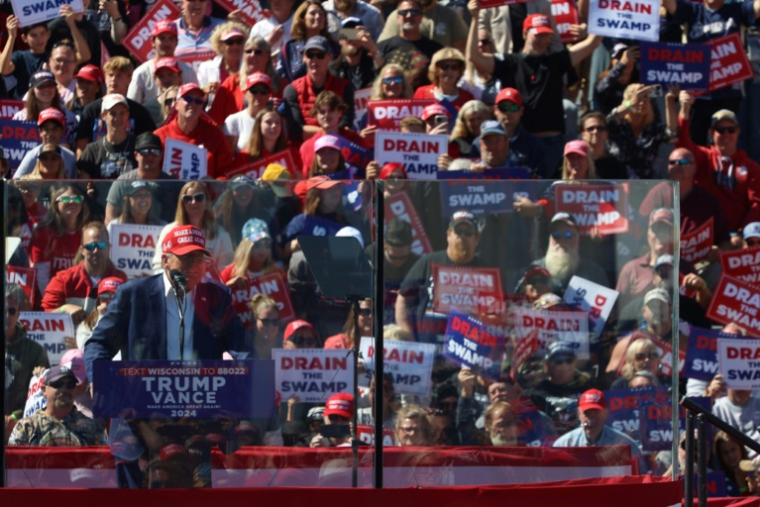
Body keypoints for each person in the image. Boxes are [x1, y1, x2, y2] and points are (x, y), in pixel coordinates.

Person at [84, 225, 249, 380]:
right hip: (145, 402)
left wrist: (252, 378)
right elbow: (99, 344)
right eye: (186, 257)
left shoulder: (218, 297)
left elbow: (241, 348)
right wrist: (98, 379)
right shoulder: (133, 295)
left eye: (199, 258)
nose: (193, 265)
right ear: (165, 261)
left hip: (200, 402)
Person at [467, 6, 601, 177]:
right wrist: (474, 18)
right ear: (524, 34)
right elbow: (474, 57)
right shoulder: (510, 62)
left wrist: (603, 9)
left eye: (546, 35)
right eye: (538, 35)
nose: (543, 40)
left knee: (545, 190)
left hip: (552, 143)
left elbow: (593, 42)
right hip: (521, 143)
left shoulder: (557, 60)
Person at [661, 0, 760, 144]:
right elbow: (667, 3)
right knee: (694, 146)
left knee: (727, 147)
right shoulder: (692, 10)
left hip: (729, 95)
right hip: (697, 97)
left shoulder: (738, 9)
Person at [396, 210, 486, 340]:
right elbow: (403, 299)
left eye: (468, 233)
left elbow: (495, 315)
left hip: (467, 351)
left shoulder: (485, 272)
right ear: (448, 235)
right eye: (457, 231)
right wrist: (407, 335)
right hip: (428, 350)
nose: (462, 236)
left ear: (476, 239)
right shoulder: (428, 262)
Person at [674, 98, 760, 232]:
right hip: (704, 232)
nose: (726, 134)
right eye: (720, 129)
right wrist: (685, 110)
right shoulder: (703, 156)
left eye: (731, 129)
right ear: (712, 132)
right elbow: (682, 145)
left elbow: (756, 204)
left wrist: (745, 232)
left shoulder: (751, 166)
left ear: (738, 132)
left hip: (737, 234)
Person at [639, 147, 732, 256]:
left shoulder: (708, 201)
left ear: (694, 168)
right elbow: (638, 236)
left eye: (684, 162)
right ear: (668, 168)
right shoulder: (656, 195)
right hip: (665, 265)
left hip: (700, 267)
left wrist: (718, 253)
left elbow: (724, 241)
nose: (677, 166)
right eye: (673, 162)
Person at [41, 221, 127, 324]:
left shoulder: (120, 279)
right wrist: (65, 309)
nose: (96, 250)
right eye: (90, 247)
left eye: (101, 245)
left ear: (109, 247)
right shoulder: (63, 279)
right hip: (70, 339)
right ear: (82, 250)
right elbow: (45, 318)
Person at [76, 57, 157, 155]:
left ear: (129, 79)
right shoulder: (91, 110)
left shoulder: (139, 112)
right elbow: (81, 147)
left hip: (129, 166)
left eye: (119, 76)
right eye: (110, 75)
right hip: (97, 166)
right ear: (105, 77)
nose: (113, 79)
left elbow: (149, 143)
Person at [8, 365, 104, 446]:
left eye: (70, 385)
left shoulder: (91, 427)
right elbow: (14, 463)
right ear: (44, 390)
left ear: (75, 390)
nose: (65, 389)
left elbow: (103, 463)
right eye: (58, 384)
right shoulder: (26, 427)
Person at [282, 35, 355, 141]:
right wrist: (330, 131)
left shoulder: (345, 86)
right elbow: (296, 131)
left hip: (336, 148)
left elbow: (345, 125)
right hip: (305, 151)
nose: (314, 60)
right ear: (304, 58)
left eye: (320, 55)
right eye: (310, 55)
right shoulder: (292, 90)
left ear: (330, 57)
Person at [154, 83, 234, 179]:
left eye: (198, 101)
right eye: (188, 99)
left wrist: (213, 186)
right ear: (176, 104)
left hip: (205, 193)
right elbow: (152, 172)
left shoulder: (215, 135)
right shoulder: (160, 136)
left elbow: (226, 172)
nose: (193, 104)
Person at [152, 181, 234, 273]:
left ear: (206, 201)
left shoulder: (221, 235)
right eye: (187, 199)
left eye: (199, 198)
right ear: (182, 203)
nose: (194, 202)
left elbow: (225, 273)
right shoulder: (169, 231)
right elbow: (158, 267)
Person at [553, 389, 645, 469]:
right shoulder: (563, 445)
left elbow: (640, 476)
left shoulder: (626, 445)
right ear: (579, 414)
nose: (591, 419)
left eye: (596, 413)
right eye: (587, 413)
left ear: (606, 413)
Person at [104, 132, 182, 226]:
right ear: (136, 155)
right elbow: (109, 219)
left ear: (161, 155)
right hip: (129, 238)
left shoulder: (173, 182)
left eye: (155, 151)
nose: (150, 156)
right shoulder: (123, 182)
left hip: (166, 237)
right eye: (144, 152)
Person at [521, 212, 609, 294]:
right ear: (549, 239)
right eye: (556, 235)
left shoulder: (593, 272)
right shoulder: (535, 268)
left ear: (578, 238)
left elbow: (607, 307)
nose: (562, 240)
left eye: (568, 235)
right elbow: (517, 301)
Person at [4, 283, 51, 435]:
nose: (7, 316)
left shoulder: (36, 351)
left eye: (11, 311)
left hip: (22, 426)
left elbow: (43, 396)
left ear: (18, 314)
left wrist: (14, 417)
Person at [209, 36, 284, 125]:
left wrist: (279, 111)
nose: (252, 55)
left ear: (267, 57)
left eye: (258, 52)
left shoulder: (281, 85)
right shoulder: (230, 83)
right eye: (248, 51)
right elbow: (215, 121)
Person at [30, 184, 90, 292]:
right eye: (66, 199)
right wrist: (54, 303)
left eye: (77, 199)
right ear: (55, 205)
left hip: (79, 297)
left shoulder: (88, 232)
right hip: (50, 297)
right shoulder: (43, 232)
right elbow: (41, 277)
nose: (72, 202)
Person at [607, 288, 679, 376]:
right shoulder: (627, 344)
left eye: (661, 305)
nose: (657, 310)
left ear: (671, 309)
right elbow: (611, 379)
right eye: (652, 306)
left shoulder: (685, 343)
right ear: (644, 312)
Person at [606, 83, 671, 179]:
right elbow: (608, 122)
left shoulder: (652, 128)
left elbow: (672, 134)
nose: (642, 102)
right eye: (639, 98)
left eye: (646, 98)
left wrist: (670, 101)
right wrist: (630, 104)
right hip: (617, 184)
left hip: (644, 186)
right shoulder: (619, 125)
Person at [127, 20, 198, 105]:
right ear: (153, 42)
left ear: (177, 42)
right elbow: (133, 108)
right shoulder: (141, 73)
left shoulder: (188, 71)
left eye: (171, 38)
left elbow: (196, 104)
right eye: (162, 38)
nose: (166, 43)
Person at [616, 208, 676, 308]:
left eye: (665, 230)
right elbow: (618, 308)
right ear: (648, 235)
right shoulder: (631, 268)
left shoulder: (683, 268)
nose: (660, 235)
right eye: (656, 230)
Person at [375, 0, 444, 86]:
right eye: (404, 12)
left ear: (421, 17)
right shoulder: (382, 47)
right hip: (393, 98)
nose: (409, 15)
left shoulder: (436, 49)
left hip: (424, 98)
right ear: (397, 17)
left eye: (414, 12)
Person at [299, 91, 366, 175]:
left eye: (331, 110)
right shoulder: (306, 147)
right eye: (322, 112)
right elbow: (306, 181)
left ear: (341, 112)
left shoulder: (356, 141)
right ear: (315, 115)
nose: (326, 116)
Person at [12, 71, 78, 148]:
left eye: (50, 85)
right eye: (41, 86)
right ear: (32, 90)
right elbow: (13, 144)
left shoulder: (68, 116)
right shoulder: (20, 117)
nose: (46, 89)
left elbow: (75, 145)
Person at [77, 94, 137, 179]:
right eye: (113, 113)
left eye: (122, 113)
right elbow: (82, 186)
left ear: (127, 115)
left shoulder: (137, 146)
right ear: (103, 116)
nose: (117, 118)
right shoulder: (92, 151)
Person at [279, 0, 339, 83]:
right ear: (302, 18)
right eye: (313, 13)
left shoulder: (334, 47)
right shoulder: (289, 48)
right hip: (298, 93)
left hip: (328, 93)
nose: (318, 17)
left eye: (321, 14)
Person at [215, 176, 279, 249]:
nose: (243, 193)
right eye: (238, 189)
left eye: (247, 188)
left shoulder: (264, 216)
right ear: (231, 192)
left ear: (253, 191)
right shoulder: (220, 218)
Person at [379, 0, 468, 51]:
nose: (410, 16)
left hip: (440, 73)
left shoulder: (450, 15)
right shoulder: (399, 16)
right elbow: (384, 49)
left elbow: (462, 49)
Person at [0, 17, 50, 100]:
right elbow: (3, 70)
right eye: (33, 35)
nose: (39, 39)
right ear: (24, 38)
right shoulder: (20, 56)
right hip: (21, 105)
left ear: (48, 34)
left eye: (42, 33)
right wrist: (11, 37)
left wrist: (72, 24)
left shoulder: (54, 56)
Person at [224, 72, 273, 154]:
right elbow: (228, 157)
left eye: (263, 91)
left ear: (269, 95)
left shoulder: (276, 121)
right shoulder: (233, 120)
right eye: (254, 91)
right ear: (245, 94)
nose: (259, 95)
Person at [197, 23, 248, 100]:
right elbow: (198, 90)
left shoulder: (250, 67)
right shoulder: (206, 67)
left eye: (239, 41)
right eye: (230, 42)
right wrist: (204, 89)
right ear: (220, 45)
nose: (235, 45)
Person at [75, 276, 123, 350]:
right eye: (104, 296)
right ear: (99, 299)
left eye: (114, 296)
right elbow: (87, 350)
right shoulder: (87, 325)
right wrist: (101, 319)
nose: (109, 300)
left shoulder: (132, 321)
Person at [578, 111, 627, 180]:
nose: (595, 132)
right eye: (591, 129)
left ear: (606, 134)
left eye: (600, 128)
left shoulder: (616, 165)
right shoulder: (575, 161)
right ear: (582, 134)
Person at [593, 44, 639, 116]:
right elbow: (600, 91)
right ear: (611, 61)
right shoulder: (604, 80)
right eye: (619, 57)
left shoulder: (640, 81)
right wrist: (621, 64)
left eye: (629, 57)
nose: (626, 60)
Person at [713, 390, 760, 458]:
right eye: (737, 383)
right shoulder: (715, 407)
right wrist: (708, 395)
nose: (741, 388)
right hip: (728, 466)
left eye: (746, 380)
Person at [714, 431, 760, 496]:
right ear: (719, 455)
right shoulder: (716, 478)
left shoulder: (754, 472)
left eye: (733, 450)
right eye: (725, 452)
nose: (730, 455)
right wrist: (742, 486)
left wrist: (744, 486)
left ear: (741, 449)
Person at [244, 294, 283, 359]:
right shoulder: (242, 345)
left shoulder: (287, 347)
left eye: (275, 321)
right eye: (266, 321)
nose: (271, 326)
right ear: (254, 320)